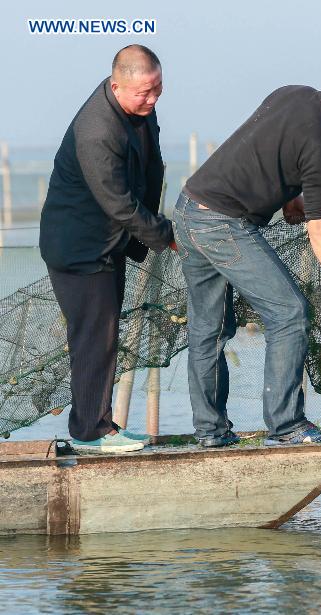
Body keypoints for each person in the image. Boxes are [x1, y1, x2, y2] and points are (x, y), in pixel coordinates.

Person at [174, 66, 321, 447]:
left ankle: (211, 434)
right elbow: (320, 230)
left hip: (189, 210)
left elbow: (273, 146)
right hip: (222, 222)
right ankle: (287, 425)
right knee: (290, 312)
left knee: (209, 330)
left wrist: (292, 198)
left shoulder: (295, 94)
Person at [39, 45, 175, 454]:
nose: (152, 100)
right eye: (143, 93)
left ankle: (98, 425)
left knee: (103, 334)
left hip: (109, 242)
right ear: (116, 85)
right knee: (95, 338)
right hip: (78, 246)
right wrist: (164, 235)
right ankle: (91, 432)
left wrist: (149, 230)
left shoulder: (140, 111)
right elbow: (116, 201)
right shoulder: (96, 129)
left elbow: (153, 167)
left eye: (158, 89)